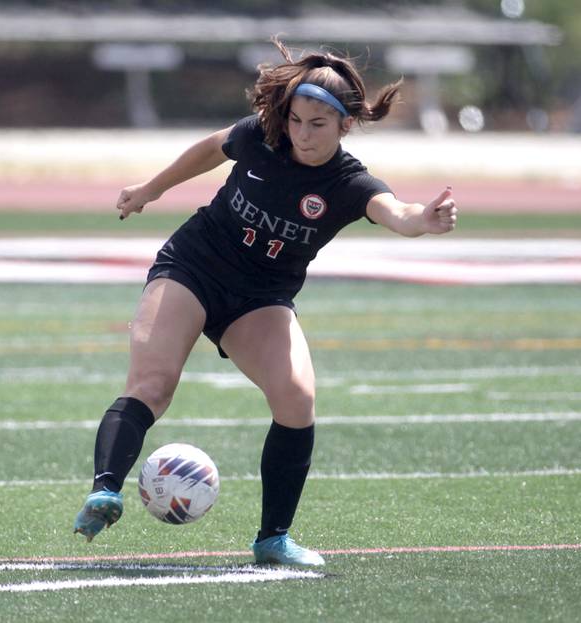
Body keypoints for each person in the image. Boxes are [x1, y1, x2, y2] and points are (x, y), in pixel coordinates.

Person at [73, 38, 457, 567]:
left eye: (317, 125)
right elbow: (212, 147)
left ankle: (273, 538)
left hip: (260, 297)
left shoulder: (348, 182)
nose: (302, 133)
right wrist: (150, 189)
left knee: (297, 398)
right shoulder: (262, 137)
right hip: (193, 267)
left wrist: (424, 221)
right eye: (297, 120)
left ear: (345, 125)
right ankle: (106, 490)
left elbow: (397, 212)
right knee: (152, 386)